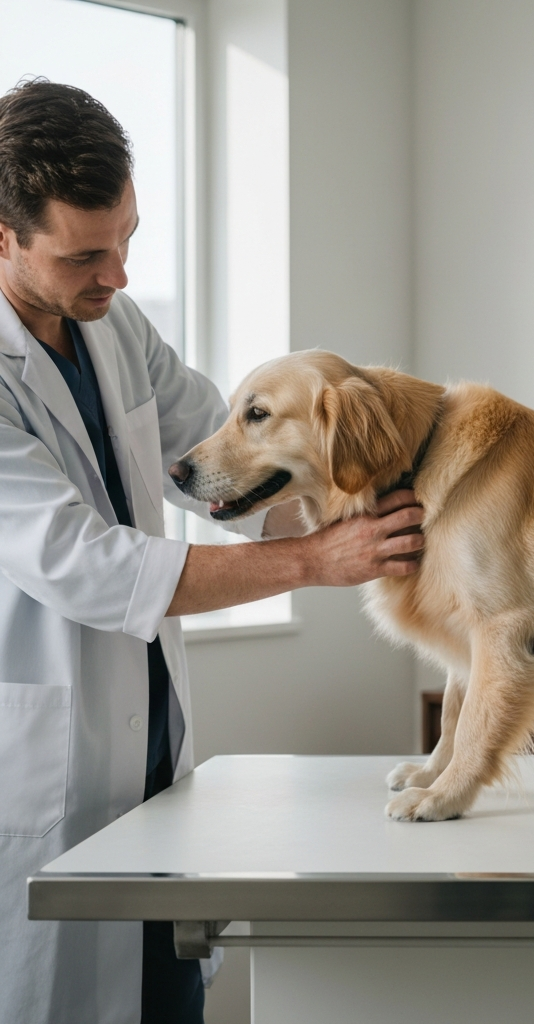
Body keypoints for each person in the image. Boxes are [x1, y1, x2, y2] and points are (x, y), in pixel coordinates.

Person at [0, 80, 424, 1024]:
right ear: (3, 236)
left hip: (153, 758)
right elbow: (90, 566)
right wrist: (318, 563)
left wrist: (349, 504)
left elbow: (216, 472)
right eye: (85, 255)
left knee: (168, 990)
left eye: (128, 239)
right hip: (38, 772)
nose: (115, 273)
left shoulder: (112, 322)